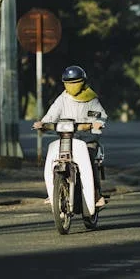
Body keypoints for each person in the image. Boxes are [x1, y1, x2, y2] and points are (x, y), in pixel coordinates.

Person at [33, 65, 108, 208]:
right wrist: (43, 123)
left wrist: (98, 122)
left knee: (89, 160)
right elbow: (52, 114)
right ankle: (54, 191)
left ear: (83, 82)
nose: (72, 85)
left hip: (87, 138)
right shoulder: (62, 98)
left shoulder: (91, 98)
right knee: (55, 160)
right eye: (68, 83)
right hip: (66, 138)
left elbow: (101, 115)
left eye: (76, 82)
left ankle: (96, 195)